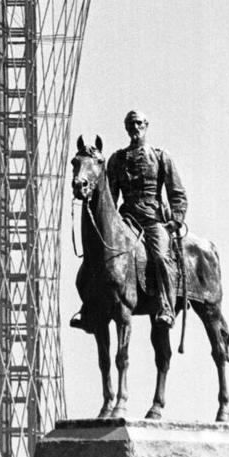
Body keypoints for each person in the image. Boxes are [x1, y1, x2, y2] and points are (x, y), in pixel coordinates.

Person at [71, 109, 187, 331]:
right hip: (127, 219)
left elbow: (177, 192)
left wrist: (176, 220)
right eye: (131, 124)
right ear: (126, 128)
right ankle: (87, 307)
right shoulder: (117, 159)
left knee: (162, 257)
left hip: (153, 220)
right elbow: (110, 197)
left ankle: (166, 307)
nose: (135, 128)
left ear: (146, 125)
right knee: (96, 256)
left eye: (139, 123)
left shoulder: (161, 156)